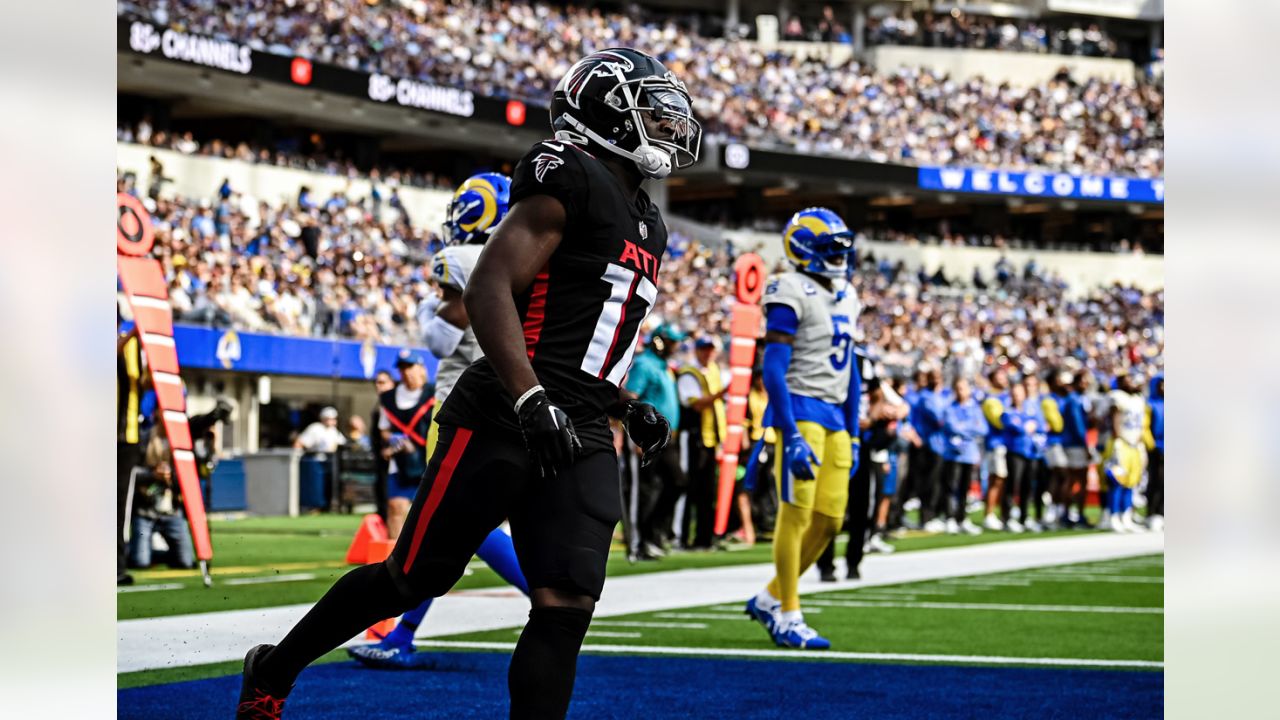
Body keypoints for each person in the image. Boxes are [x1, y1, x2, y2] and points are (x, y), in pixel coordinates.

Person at [236, 48, 699, 719]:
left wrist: (627, 403)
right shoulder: (568, 172)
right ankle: (273, 671)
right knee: (416, 574)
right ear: (605, 111)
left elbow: (585, 330)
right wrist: (529, 396)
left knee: (566, 602)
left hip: (585, 422)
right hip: (507, 410)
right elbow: (490, 287)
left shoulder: (647, 216)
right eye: (649, 107)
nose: (665, 122)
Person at [350, 172, 534, 670]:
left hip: (460, 411)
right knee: (439, 537)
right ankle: (402, 636)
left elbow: (439, 340)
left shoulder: (469, 260)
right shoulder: (524, 258)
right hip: (503, 405)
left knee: (461, 530)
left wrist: (434, 303)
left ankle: (550, 601)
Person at [744, 207, 860, 651]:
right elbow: (773, 368)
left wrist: (853, 430)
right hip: (802, 412)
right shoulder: (788, 287)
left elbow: (849, 367)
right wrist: (786, 430)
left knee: (830, 521)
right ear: (806, 249)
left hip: (834, 416)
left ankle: (769, 598)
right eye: (831, 249)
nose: (839, 257)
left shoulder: (848, 293)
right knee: (795, 517)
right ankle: (789, 612)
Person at [623, 324, 686, 558]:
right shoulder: (645, 364)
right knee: (646, 490)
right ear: (660, 341)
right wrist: (637, 435)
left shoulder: (663, 366)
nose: (676, 346)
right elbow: (631, 397)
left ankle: (654, 533)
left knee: (677, 482)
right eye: (672, 341)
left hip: (668, 439)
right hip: (649, 439)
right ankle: (639, 543)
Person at [676, 336, 727, 550]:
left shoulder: (713, 370)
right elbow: (695, 405)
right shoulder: (689, 374)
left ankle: (704, 538)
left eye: (711, 349)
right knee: (689, 487)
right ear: (697, 351)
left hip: (710, 439)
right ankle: (681, 536)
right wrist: (722, 393)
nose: (708, 353)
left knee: (707, 491)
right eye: (704, 349)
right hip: (694, 437)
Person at [378, 351, 432, 540]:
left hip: (429, 459)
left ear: (421, 369)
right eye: (401, 368)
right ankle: (395, 557)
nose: (405, 372)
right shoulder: (388, 398)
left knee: (430, 512)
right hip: (400, 460)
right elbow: (384, 429)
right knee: (395, 507)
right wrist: (397, 441)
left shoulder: (433, 394)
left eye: (409, 367)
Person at [128, 430, 195, 570]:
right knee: (140, 562)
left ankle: (150, 552)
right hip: (145, 511)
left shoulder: (181, 439)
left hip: (171, 511)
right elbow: (130, 473)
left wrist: (171, 477)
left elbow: (190, 476)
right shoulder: (144, 437)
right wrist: (153, 475)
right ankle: (127, 551)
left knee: (186, 562)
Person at [1101, 372, 1151, 532]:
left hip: (1135, 445)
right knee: (1117, 481)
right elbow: (1115, 417)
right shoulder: (1117, 397)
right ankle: (1113, 516)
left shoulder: (1138, 399)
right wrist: (1117, 439)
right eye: (1127, 380)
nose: (1131, 382)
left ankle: (1126, 516)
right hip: (1121, 443)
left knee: (1131, 481)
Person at [117, 320, 147, 586]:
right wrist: (133, 335)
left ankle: (116, 567)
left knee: (118, 505)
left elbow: (145, 383)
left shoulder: (134, 345)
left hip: (128, 437)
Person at [941, 376, 986, 535]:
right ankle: (950, 517)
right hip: (953, 454)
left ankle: (962, 517)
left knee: (965, 488)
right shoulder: (950, 407)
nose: (961, 392)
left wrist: (964, 428)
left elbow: (982, 428)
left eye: (963, 388)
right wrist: (969, 428)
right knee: (951, 486)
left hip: (969, 453)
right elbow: (951, 426)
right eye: (958, 388)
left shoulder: (974, 407)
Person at [980, 368, 1012, 531]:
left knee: (1005, 480)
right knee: (997, 479)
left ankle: (1004, 513)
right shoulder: (990, 398)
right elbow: (1000, 421)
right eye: (999, 376)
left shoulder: (1008, 396)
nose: (1003, 379)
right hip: (996, 443)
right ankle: (989, 514)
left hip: (1009, 443)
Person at [370, 370, 396, 523]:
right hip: (380, 457)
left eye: (383, 382)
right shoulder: (379, 405)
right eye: (377, 383)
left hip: (396, 456)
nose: (379, 386)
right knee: (381, 490)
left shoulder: (396, 403)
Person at [1146, 374, 1164, 530]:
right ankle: (1153, 513)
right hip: (1156, 447)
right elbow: (1146, 428)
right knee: (1156, 481)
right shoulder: (1150, 404)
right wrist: (1152, 445)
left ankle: (1164, 512)